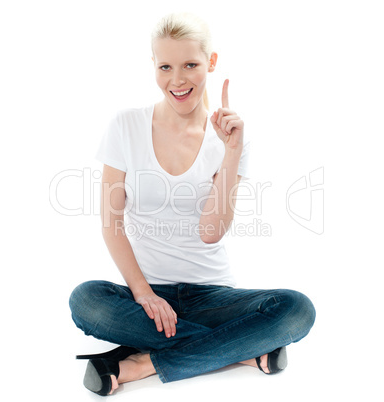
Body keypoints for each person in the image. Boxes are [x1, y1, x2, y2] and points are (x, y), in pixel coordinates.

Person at [69, 12, 316, 396]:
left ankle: (143, 363)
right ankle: (238, 350)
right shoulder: (125, 126)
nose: (177, 79)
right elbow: (111, 223)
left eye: (190, 65)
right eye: (165, 66)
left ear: (211, 63)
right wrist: (144, 294)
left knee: (297, 309)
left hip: (211, 295)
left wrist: (231, 151)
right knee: (85, 301)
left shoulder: (230, 137)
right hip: (145, 298)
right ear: (153, 65)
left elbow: (210, 232)